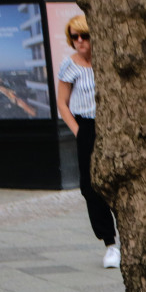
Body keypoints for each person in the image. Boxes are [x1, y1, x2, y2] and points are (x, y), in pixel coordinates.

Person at [55, 15, 120, 269]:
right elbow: (63, 102)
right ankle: (110, 244)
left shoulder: (107, 62)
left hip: (113, 127)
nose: (80, 41)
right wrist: (78, 131)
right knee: (90, 187)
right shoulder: (69, 66)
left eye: (85, 36)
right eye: (75, 37)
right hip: (87, 127)